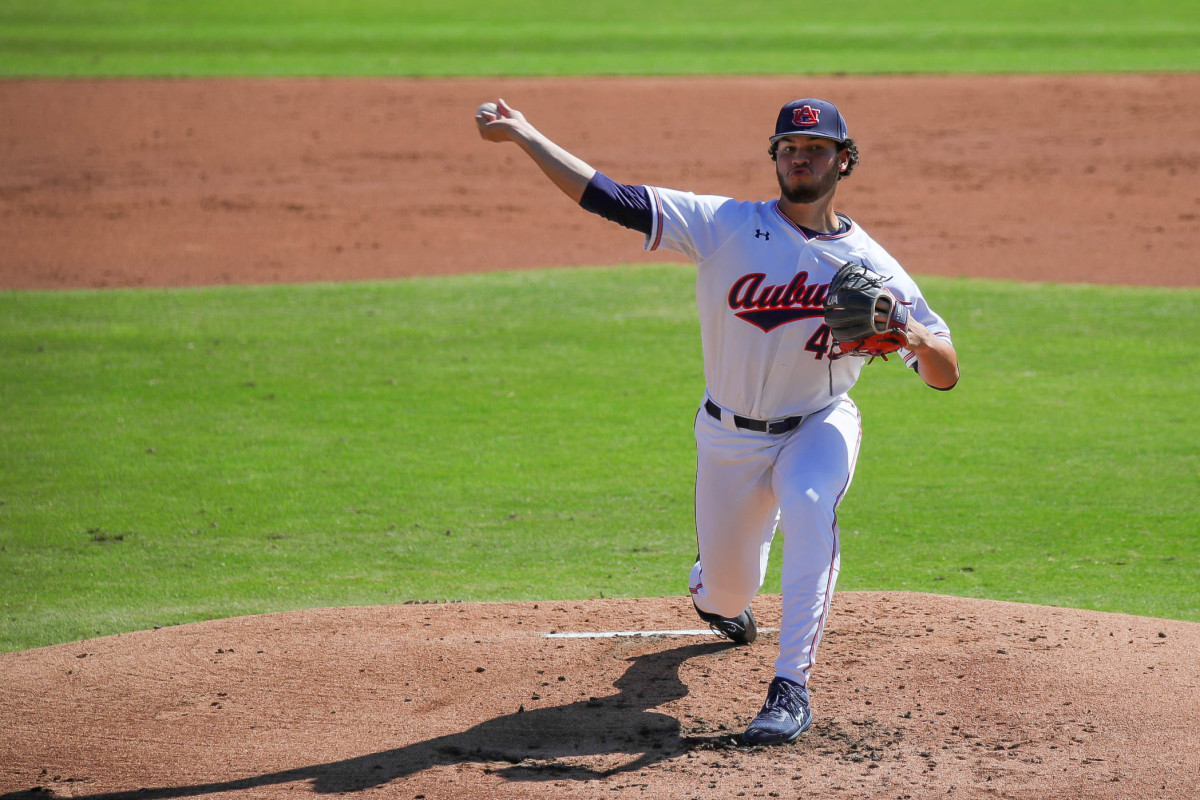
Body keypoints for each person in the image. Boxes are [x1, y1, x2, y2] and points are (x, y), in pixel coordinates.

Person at [477, 96, 959, 745]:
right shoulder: (724, 224)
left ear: (844, 160)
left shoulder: (872, 266)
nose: (799, 158)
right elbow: (610, 198)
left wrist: (914, 336)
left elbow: (945, 371)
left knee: (810, 500)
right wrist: (526, 134)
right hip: (728, 439)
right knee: (729, 595)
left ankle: (791, 688)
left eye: (815, 149)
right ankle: (713, 590)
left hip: (820, 423)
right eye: (789, 147)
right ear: (775, 156)